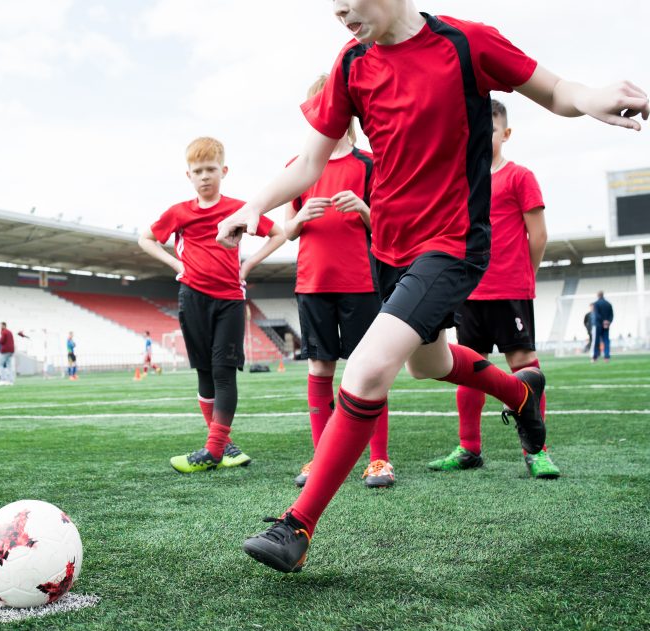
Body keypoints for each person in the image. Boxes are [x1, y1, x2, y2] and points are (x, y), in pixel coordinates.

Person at [218, 0, 647, 573]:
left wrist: (592, 98)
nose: (339, 9)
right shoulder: (350, 64)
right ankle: (522, 395)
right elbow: (308, 163)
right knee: (428, 363)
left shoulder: (467, 43)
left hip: (453, 242)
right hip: (387, 249)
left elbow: (555, 89)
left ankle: (296, 525)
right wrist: (253, 205)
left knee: (368, 369)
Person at [428, 99, 559, 479]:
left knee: (523, 366)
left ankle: (537, 450)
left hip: (510, 288)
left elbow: (539, 234)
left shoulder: (519, 177)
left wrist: (524, 276)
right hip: (468, 290)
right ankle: (469, 448)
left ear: (506, 133)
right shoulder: (461, 179)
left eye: (490, 128)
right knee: (471, 369)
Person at [138, 136, 286, 473]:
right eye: (198, 171)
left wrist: (247, 266)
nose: (205, 176)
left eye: (211, 169)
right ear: (188, 175)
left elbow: (278, 233)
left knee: (223, 373)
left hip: (230, 300)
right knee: (204, 375)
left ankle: (213, 451)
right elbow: (145, 239)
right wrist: (177, 266)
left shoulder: (239, 209)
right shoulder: (179, 212)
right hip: (192, 299)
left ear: (224, 170)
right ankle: (221, 445)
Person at [285, 74, 393, 489]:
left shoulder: (368, 164)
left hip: (361, 283)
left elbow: (388, 226)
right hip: (312, 283)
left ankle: (379, 459)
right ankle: (321, 460)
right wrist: (299, 217)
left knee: (369, 371)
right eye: (318, 107)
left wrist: (365, 208)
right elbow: (286, 230)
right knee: (319, 367)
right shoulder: (296, 169)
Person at [592, 291, 614, 362]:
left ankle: (595, 357)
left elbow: (597, 315)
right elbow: (611, 315)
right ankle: (606, 357)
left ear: (598, 296)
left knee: (596, 341)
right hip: (606, 326)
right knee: (606, 340)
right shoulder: (608, 304)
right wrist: (608, 321)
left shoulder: (596, 304)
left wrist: (602, 321)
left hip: (598, 325)